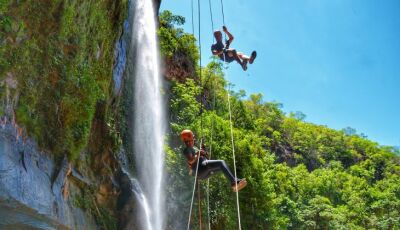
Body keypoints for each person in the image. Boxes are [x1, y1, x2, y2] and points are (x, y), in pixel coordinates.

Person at [180, 129, 247, 192]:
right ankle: (234, 182)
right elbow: (190, 161)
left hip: (203, 171)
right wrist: (199, 153)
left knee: (222, 166)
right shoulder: (187, 149)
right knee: (221, 162)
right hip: (200, 168)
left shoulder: (194, 148)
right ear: (188, 140)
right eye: (192, 138)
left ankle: (234, 184)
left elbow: (207, 158)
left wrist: (204, 150)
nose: (194, 140)